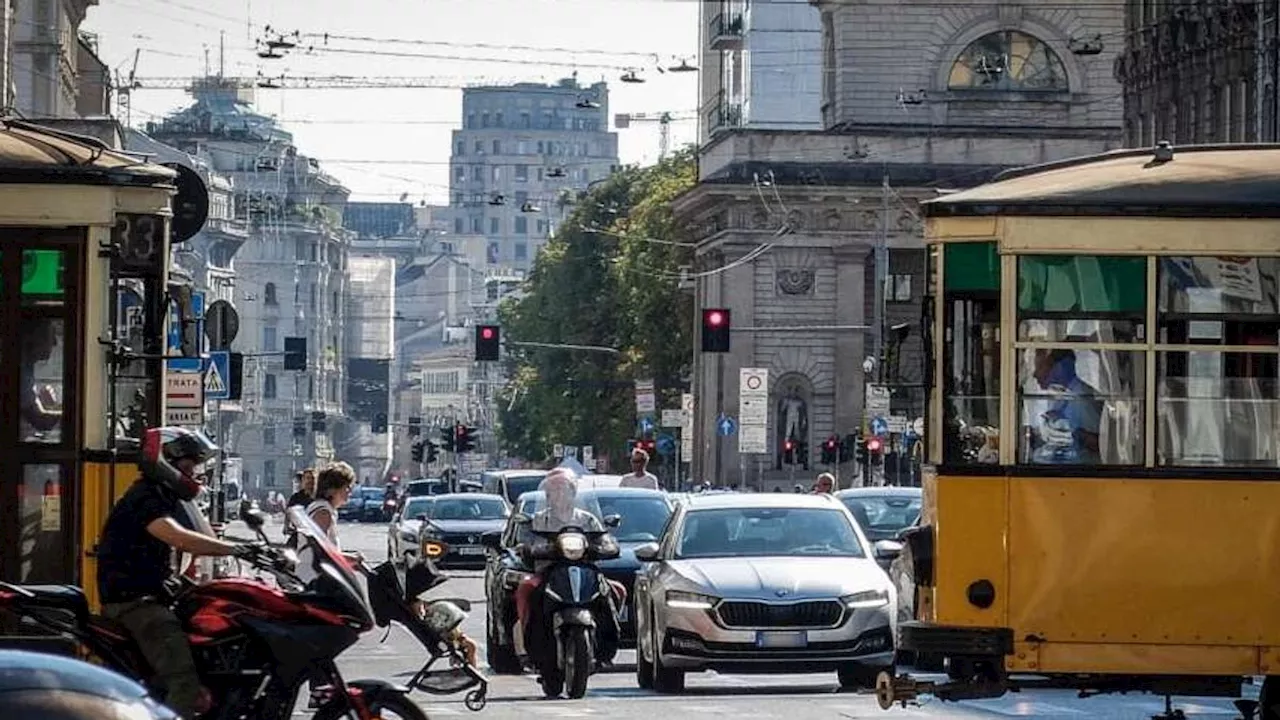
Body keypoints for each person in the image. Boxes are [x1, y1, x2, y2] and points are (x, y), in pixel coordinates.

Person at [96, 427, 255, 719]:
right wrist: (237, 550)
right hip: (135, 602)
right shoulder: (145, 497)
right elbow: (178, 537)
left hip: (156, 592)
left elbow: (202, 533)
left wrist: (252, 549)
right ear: (166, 460)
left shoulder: (166, 494)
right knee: (183, 682)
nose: (194, 471)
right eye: (189, 464)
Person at [512, 469, 623, 666]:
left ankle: (607, 643)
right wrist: (528, 548)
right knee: (526, 588)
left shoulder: (586, 518)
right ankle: (527, 642)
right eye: (554, 491)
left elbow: (603, 538)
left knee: (616, 590)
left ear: (573, 492)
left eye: (563, 490)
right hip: (548, 571)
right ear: (547, 495)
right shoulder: (539, 519)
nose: (559, 495)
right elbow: (525, 540)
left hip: (585, 570)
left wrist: (608, 546)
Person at [283, 468, 315, 545]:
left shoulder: (319, 497)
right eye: (307, 478)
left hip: (315, 534)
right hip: (299, 532)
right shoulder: (296, 497)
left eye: (312, 478)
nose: (309, 481)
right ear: (303, 480)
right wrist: (286, 526)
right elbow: (288, 512)